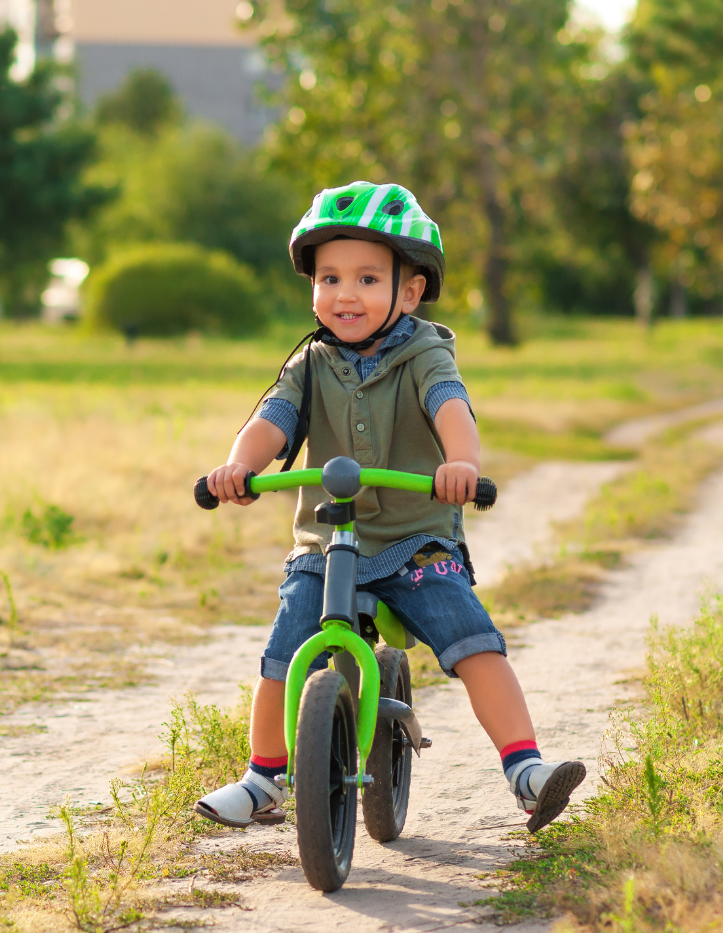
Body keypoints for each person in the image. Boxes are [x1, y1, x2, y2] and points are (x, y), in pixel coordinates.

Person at [194, 181, 584, 833]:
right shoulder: (311, 360)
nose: (345, 294)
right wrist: (240, 465)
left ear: (409, 290)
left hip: (414, 539)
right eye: (329, 277)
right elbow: (274, 418)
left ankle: (525, 769)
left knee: (472, 639)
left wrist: (461, 464)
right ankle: (263, 777)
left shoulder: (423, 350)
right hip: (326, 543)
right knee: (284, 650)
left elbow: (449, 405)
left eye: (368, 278)